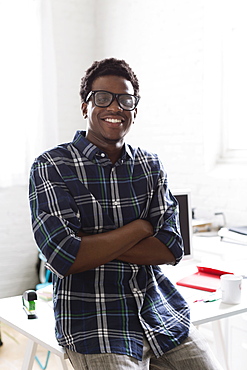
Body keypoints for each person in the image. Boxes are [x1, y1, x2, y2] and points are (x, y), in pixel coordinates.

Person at [29, 58, 222, 369]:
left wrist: (91, 244)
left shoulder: (149, 165)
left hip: (161, 314)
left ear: (135, 108)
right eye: (103, 97)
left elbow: (172, 246)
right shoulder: (52, 166)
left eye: (125, 99)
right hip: (94, 322)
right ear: (85, 106)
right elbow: (64, 257)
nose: (115, 107)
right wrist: (140, 228)